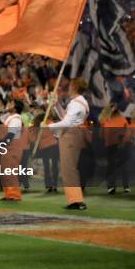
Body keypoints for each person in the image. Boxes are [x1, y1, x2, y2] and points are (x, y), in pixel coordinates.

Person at [46, 78, 90, 210]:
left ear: (75, 87)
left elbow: (66, 123)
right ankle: (75, 199)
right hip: (73, 134)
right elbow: (65, 117)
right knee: (69, 168)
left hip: (70, 135)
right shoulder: (79, 102)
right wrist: (56, 104)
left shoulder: (76, 103)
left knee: (69, 169)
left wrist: (48, 126)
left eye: (70, 85)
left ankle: (76, 200)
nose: (68, 88)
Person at [0, 100, 25, 201]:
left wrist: (0, 144)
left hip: (12, 148)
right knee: (4, 172)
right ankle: (8, 194)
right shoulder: (9, 117)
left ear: (15, 108)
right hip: (7, 147)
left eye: (11, 103)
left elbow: (11, 134)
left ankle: (14, 195)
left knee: (10, 172)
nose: (8, 104)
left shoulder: (16, 119)